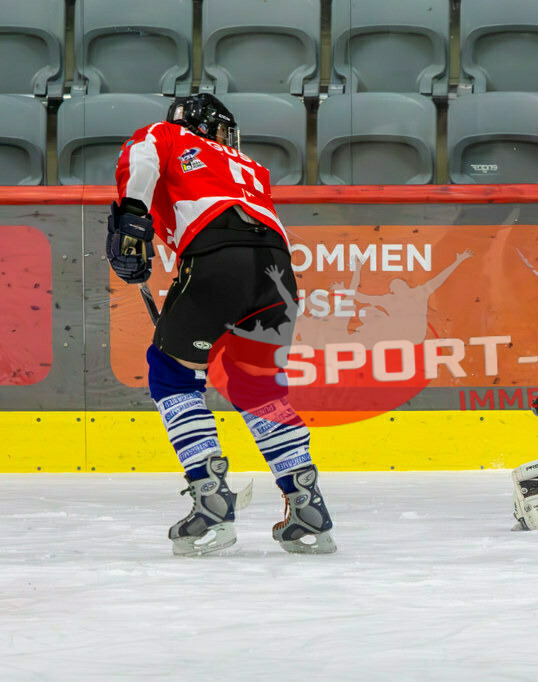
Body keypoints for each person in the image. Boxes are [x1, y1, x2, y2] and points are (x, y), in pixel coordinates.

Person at [108, 93, 335, 556]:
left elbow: (143, 157)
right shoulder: (250, 164)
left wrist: (131, 221)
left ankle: (210, 501)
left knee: (172, 373)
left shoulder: (167, 134)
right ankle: (307, 504)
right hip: (277, 273)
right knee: (260, 390)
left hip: (218, 260)